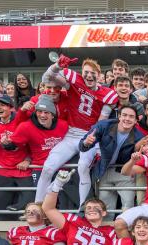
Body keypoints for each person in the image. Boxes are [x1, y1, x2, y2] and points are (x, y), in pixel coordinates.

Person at [35, 56, 118, 205]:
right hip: (71, 135)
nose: (89, 75)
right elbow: (47, 78)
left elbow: (102, 120)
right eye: (86, 72)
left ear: (99, 75)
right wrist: (57, 66)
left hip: (90, 136)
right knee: (48, 168)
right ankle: (38, 205)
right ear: (82, 72)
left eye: (93, 72)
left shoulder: (107, 94)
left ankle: (82, 208)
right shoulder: (74, 81)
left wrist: (93, 137)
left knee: (83, 167)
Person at [79, 105, 146, 215]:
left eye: (131, 117)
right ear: (119, 116)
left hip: (124, 173)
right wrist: (87, 142)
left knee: (128, 207)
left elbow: (140, 157)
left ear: (136, 121)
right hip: (104, 171)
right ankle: (106, 232)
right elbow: (82, 146)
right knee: (105, 209)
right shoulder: (104, 126)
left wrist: (142, 151)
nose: (127, 119)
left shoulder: (139, 136)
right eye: (124, 115)